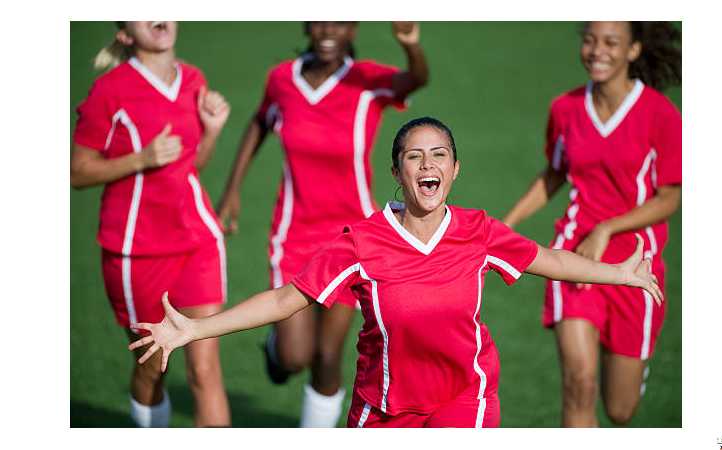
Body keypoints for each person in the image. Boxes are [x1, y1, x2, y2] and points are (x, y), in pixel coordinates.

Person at [129, 117, 663, 428]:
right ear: (396, 170)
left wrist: (620, 272)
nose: (428, 166)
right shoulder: (360, 241)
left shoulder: (478, 230)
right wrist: (195, 329)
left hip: (465, 398)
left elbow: (553, 261)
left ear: (455, 169)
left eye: (439, 156)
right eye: (414, 157)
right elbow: (284, 300)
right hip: (383, 407)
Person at [215, 21, 428, 427]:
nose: (329, 29)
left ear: (353, 29)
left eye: (340, 21)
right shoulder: (282, 80)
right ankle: (275, 350)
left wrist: (412, 45)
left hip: (353, 239)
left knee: (328, 357)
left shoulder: (367, 80)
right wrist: (232, 191)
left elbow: (415, 79)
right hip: (294, 234)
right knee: (296, 356)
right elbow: (261, 122)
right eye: (320, 20)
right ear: (306, 26)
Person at [501, 21, 681, 427]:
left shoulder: (660, 114)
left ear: (633, 50)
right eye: (590, 40)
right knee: (579, 383)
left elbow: (671, 198)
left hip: (638, 267)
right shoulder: (565, 108)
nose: (597, 50)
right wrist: (506, 225)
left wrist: (607, 228)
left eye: (611, 42)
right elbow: (554, 174)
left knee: (620, 410)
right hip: (574, 257)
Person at [71, 21, 232, 427]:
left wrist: (211, 133)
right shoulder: (110, 91)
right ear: (125, 34)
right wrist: (140, 159)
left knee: (206, 368)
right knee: (152, 367)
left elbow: (190, 167)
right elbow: (77, 172)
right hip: (134, 251)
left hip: (198, 240)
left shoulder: (194, 79)